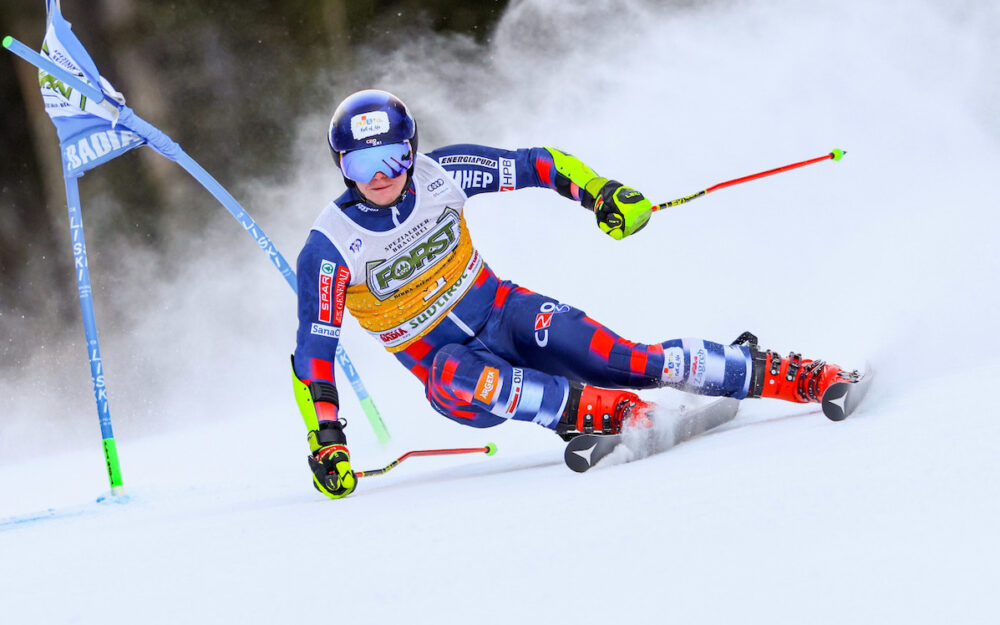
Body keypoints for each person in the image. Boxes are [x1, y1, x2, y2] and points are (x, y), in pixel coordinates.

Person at [292, 89, 858, 499]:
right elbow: (315, 356)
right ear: (341, 166)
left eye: (393, 155)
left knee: (625, 359)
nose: (380, 174)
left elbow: (537, 165)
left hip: (503, 311)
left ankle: (793, 374)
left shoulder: (446, 173)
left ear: (413, 150)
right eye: (361, 162)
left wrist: (601, 194)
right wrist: (329, 438)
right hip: (453, 373)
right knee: (453, 372)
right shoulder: (332, 246)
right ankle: (618, 414)